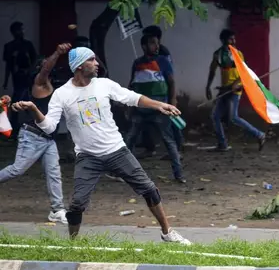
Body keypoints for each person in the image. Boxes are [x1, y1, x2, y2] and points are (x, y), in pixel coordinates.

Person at [12, 47, 190, 244]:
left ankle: (167, 233)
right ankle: (73, 243)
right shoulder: (62, 94)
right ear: (80, 65)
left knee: (149, 189)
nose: (97, 64)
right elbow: (48, 127)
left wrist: (159, 105)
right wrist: (35, 109)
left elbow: (131, 97)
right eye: (92, 60)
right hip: (88, 157)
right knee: (77, 204)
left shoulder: (104, 84)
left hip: (117, 151)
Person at [0, 43, 72, 224]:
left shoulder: (52, 88)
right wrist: (57, 52)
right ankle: (57, 209)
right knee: (17, 170)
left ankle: (57, 209)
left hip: (48, 138)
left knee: (54, 174)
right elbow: (47, 68)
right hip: (32, 136)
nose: (50, 66)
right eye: (46, 64)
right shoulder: (40, 83)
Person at [123, 34, 185, 183]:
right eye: (152, 43)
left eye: (157, 43)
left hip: (160, 108)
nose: (156, 46)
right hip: (140, 108)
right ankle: (124, 172)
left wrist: (172, 102)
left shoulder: (163, 61)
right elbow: (132, 84)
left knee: (168, 141)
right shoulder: (137, 63)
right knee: (129, 139)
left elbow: (171, 83)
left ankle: (179, 174)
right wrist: (128, 104)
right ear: (144, 46)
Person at [206, 29, 265, 151]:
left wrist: (236, 83)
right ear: (223, 41)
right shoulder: (218, 54)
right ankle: (223, 144)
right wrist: (208, 86)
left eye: (234, 39)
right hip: (224, 90)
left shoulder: (238, 54)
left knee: (233, 117)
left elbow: (244, 73)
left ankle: (259, 134)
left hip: (235, 90)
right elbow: (212, 70)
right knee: (215, 116)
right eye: (230, 39)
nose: (234, 41)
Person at [3, 22, 38, 136]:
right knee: (19, 103)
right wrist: (6, 81)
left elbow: (35, 61)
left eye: (22, 30)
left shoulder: (28, 45)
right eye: (18, 30)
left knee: (24, 102)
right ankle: (15, 130)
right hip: (16, 79)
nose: (21, 32)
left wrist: (28, 71)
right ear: (13, 32)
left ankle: (33, 127)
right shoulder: (9, 46)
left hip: (27, 78)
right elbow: (8, 65)